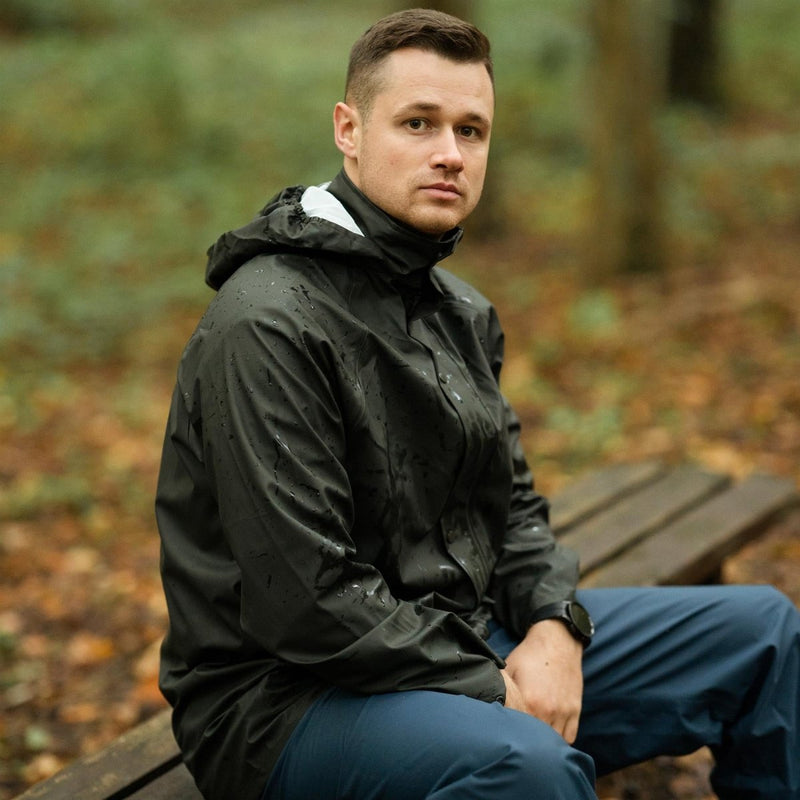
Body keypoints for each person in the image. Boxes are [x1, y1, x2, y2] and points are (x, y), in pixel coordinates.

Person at [155, 9, 800, 800]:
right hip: (283, 705)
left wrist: (555, 627)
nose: (449, 154)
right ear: (348, 130)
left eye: (472, 130)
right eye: (418, 123)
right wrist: (495, 683)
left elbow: (514, 507)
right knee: (525, 770)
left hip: (453, 642)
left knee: (760, 634)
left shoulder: (457, 310)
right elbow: (305, 601)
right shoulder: (266, 322)